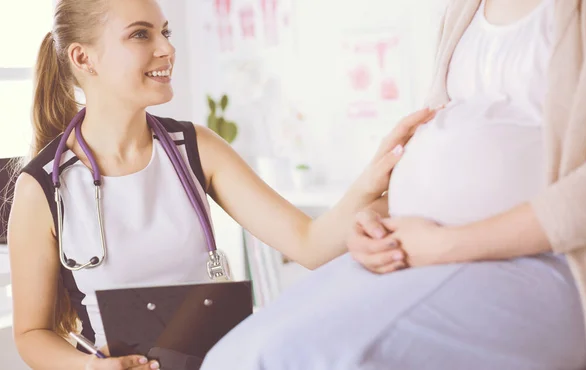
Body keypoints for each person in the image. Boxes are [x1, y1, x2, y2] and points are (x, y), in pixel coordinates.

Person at [6, 0, 438, 369]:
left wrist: (375, 180)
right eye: (141, 35)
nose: (167, 48)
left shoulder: (195, 147)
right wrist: (89, 366)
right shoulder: (44, 187)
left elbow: (309, 244)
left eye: (166, 32)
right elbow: (31, 333)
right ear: (84, 59)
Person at [199, 0, 586, 369]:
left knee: (293, 357)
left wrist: (447, 245)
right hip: (419, 253)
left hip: (545, 262)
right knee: (231, 358)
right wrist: (369, 223)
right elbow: (446, 155)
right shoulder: (463, 10)